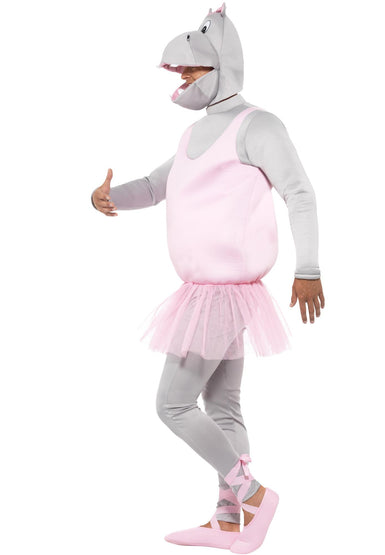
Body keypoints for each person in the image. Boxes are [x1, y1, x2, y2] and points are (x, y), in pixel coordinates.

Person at [91, 3, 325, 553]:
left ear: (224, 64)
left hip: (224, 295)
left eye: (194, 67)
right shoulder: (194, 135)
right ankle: (229, 520)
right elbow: (154, 187)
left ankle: (252, 495)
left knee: (172, 404)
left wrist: (308, 268)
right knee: (222, 406)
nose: (184, 76)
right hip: (203, 293)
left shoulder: (258, 125)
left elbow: (299, 192)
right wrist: (109, 196)